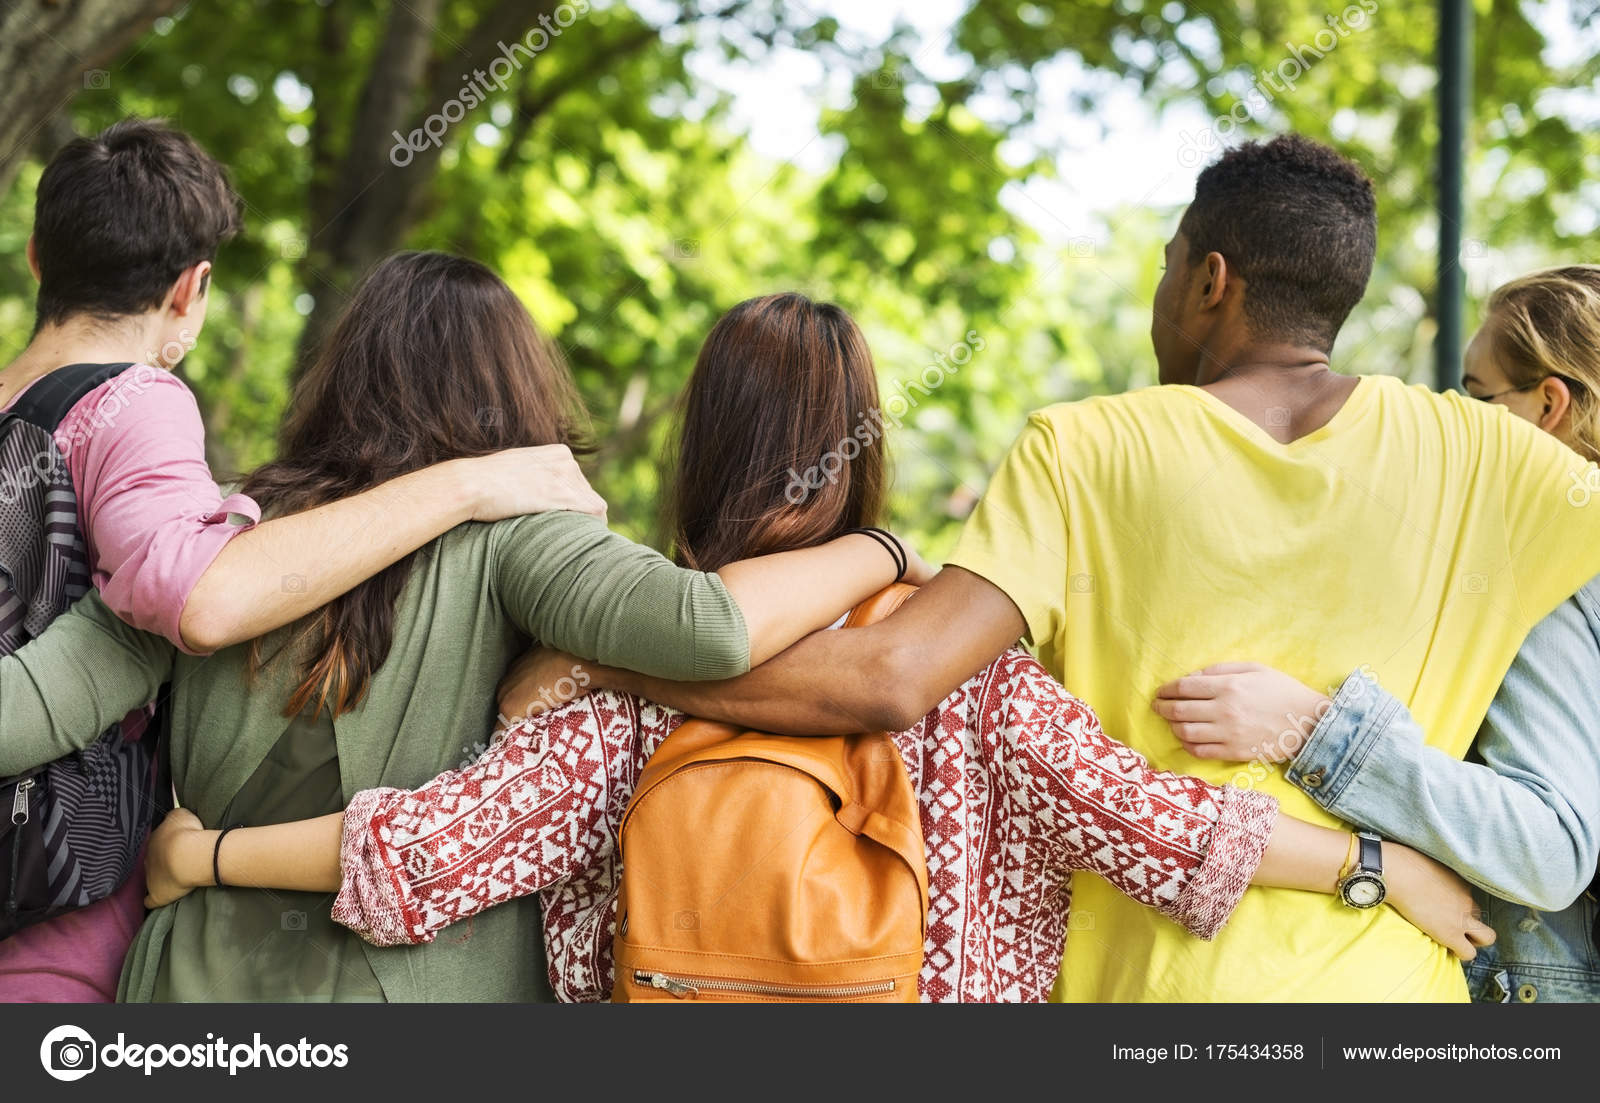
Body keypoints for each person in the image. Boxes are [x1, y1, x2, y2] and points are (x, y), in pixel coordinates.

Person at [139, 293, 1487, 1002]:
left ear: (702, 445)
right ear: (868, 447)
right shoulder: (971, 673)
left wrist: (201, 853)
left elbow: (418, 855)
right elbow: (1164, 822)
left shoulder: (620, 673)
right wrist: (1380, 864)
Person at [517, 136, 1600, 1002]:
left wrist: (627, 667)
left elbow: (893, 676)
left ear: (1209, 279)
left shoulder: (1085, 445)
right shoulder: (1497, 460)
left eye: (1169, 267)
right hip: (1387, 992)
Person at [0, 254, 931, 1002]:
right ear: (515, 389)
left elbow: (24, 712)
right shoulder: (521, 542)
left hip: (192, 997)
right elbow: (714, 625)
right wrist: (885, 548)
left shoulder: (224, 542)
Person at [0, 119, 601, 1003]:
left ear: (37, 257)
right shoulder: (137, 398)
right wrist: (471, 482)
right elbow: (196, 595)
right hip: (54, 894)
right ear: (191, 287)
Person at [1150, 265, 1600, 1002]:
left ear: (1550, 404)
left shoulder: (1551, 572)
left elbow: (1547, 848)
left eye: (1479, 396)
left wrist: (1312, 730)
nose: (1459, 415)